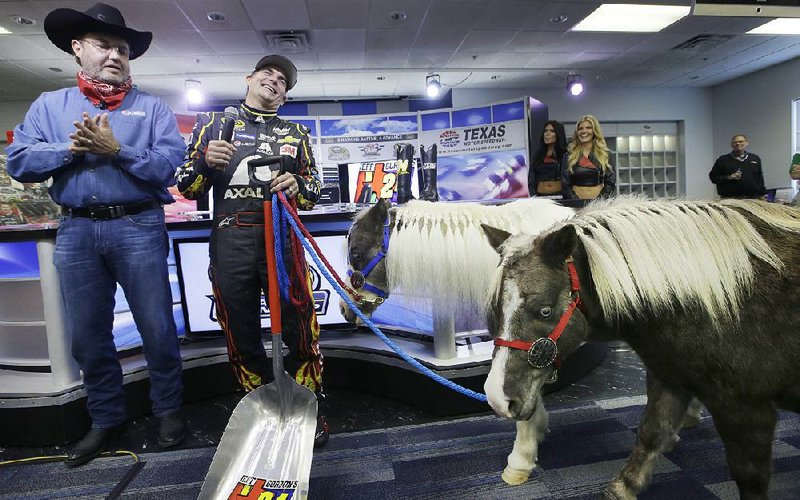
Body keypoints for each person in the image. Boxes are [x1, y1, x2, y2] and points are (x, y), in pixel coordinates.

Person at [4, 3, 186, 466]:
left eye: (123, 49)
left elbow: (168, 170)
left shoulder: (152, 108)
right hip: (77, 231)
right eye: (104, 45)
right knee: (88, 336)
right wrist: (70, 148)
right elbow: (19, 163)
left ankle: (169, 410)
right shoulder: (50, 106)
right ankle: (105, 418)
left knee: (158, 328)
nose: (115, 55)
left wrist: (117, 150)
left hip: (139, 226)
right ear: (78, 48)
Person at [175, 55, 329, 447]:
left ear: (285, 96)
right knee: (239, 329)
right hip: (232, 239)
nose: (274, 82)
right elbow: (188, 188)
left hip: (283, 238)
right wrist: (205, 164)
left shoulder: (296, 132)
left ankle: (306, 407)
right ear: (249, 78)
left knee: (299, 326)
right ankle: (260, 406)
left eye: (282, 81)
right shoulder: (212, 124)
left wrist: (298, 185)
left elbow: (313, 193)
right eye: (268, 74)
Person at [561, 115, 616, 200]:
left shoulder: (607, 154)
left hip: (599, 206)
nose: (584, 131)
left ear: (595, 131)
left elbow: (610, 182)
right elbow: (565, 184)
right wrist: (575, 201)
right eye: (580, 128)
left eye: (588, 128)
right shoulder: (569, 156)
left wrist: (598, 203)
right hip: (574, 205)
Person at [709, 134, 766, 199]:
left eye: (741, 141)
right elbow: (713, 178)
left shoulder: (755, 158)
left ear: (746, 143)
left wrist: (763, 194)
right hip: (730, 199)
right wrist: (729, 177)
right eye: (735, 142)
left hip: (753, 198)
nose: (738, 143)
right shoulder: (723, 160)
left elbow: (760, 178)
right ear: (731, 145)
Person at [528, 120, 567, 197]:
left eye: (552, 131)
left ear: (558, 134)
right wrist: (534, 198)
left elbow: (567, 180)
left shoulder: (564, 155)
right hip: (540, 198)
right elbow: (531, 181)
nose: (547, 134)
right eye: (545, 131)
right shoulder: (537, 155)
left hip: (560, 197)